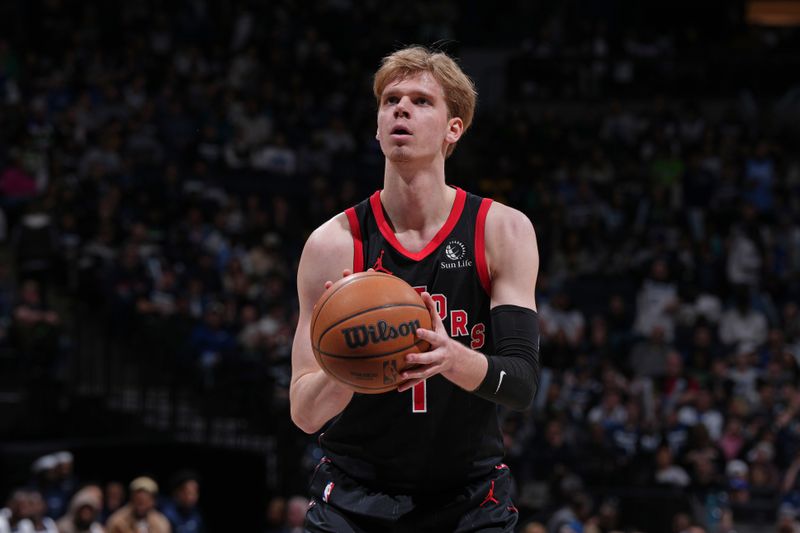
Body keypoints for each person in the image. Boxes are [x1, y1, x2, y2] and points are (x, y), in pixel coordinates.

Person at [290, 46, 541, 532]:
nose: (401, 108)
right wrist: (349, 360)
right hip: (354, 494)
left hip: (469, 499)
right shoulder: (334, 244)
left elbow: (523, 384)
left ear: (454, 128)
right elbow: (304, 413)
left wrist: (451, 356)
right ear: (378, 126)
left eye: (422, 101)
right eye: (390, 100)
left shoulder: (501, 230)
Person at [105, 477, 170, 533]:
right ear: (131, 499)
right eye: (138, 501)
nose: (141, 507)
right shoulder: (117, 521)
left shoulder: (161, 523)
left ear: (153, 501)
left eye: (145, 501)